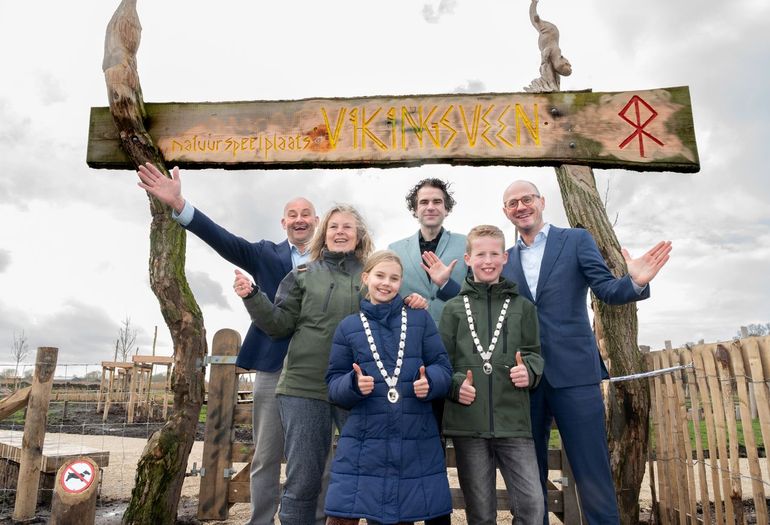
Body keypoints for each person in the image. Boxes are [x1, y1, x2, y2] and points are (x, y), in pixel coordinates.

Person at [136, 162, 318, 525]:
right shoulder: (266, 254)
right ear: (283, 223)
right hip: (272, 367)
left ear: (317, 221)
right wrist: (180, 205)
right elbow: (223, 239)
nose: (299, 220)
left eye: (306, 214)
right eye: (292, 214)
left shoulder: (332, 259)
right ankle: (261, 520)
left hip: (317, 370)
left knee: (316, 455)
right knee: (266, 454)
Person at [499, 180, 672, 524]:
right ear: (506, 212)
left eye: (526, 199)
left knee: (592, 472)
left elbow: (607, 290)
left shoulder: (575, 240)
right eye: (512, 203)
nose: (520, 206)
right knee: (528, 476)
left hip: (575, 374)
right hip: (524, 379)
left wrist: (634, 281)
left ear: (541, 201)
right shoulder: (505, 259)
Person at [234, 204, 375, 525]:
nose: (340, 232)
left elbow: (388, 316)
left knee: (362, 469)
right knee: (304, 478)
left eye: (348, 227)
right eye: (334, 226)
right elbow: (279, 324)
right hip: (303, 388)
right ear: (323, 233)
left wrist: (411, 300)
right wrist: (254, 296)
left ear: (359, 236)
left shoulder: (370, 276)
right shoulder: (301, 275)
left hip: (356, 387)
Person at [324, 250, 453, 525]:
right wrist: (353, 384)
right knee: (351, 515)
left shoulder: (419, 319)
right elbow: (334, 384)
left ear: (401, 282)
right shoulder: (348, 327)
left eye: (394, 278)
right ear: (366, 277)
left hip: (415, 439)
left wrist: (430, 382)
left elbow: (443, 366)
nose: (386, 283)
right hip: (365, 441)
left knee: (407, 514)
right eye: (380, 276)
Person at [440, 225, 545, 525]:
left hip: (514, 423)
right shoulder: (453, 309)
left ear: (505, 257)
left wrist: (530, 371)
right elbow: (441, 364)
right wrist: (455, 386)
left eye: (494, 254)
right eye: (481, 254)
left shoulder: (523, 308)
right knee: (481, 513)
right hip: (468, 425)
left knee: (532, 506)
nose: (488, 260)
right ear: (468, 258)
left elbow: (534, 353)